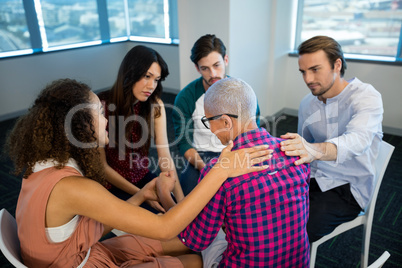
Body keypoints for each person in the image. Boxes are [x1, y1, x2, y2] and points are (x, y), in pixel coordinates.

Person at [6, 78, 272, 267]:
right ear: (79, 125)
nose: (106, 118)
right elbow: (165, 226)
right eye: (99, 112)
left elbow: (89, 224)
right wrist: (222, 170)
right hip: (81, 260)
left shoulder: (41, 167)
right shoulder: (72, 188)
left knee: (190, 247)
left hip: (74, 251)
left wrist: (144, 194)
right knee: (192, 258)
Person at [163, 77, 310, 267]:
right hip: (298, 262)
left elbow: (195, 239)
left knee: (209, 243)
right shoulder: (295, 151)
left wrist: (165, 194)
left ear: (225, 122)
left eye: (209, 121)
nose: (211, 130)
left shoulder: (221, 171)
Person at [280, 35, 384, 243]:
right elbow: (303, 147)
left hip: (348, 188)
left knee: (295, 233)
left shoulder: (366, 97)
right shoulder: (307, 104)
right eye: (303, 72)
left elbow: (357, 140)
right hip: (312, 177)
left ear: (337, 64)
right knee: (263, 210)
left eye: (315, 69)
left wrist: (313, 150)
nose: (308, 79)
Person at [173, 34, 261, 195]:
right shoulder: (185, 97)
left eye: (217, 65)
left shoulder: (243, 93)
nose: (213, 73)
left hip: (237, 151)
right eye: (205, 68)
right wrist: (207, 169)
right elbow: (183, 142)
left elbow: (253, 132)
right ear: (197, 68)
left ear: (226, 60)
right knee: (189, 199)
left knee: (250, 196)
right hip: (201, 156)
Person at [98, 45, 183, 211]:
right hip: (111, 184)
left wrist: (181, 201)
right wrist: (142, 195)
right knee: (149, 224)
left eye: (156, 79)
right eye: (147, 76)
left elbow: (164, 155)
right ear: (130, 74)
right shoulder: (101, 105)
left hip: (142, 177)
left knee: (173, 214)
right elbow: (102, 167)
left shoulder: (155, 105)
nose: (152, 86)